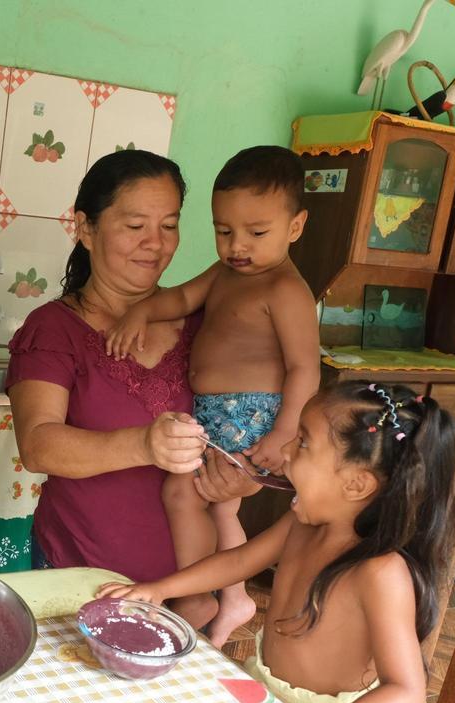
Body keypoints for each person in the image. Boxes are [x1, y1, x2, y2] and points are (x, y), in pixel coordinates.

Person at [98, 381, 455, 703]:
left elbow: (408, 696)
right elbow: (237, 562)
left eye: (303, 443)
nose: (285, 451)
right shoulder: (301, 524)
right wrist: (160, 589)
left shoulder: (381, 573)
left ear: (356, 485)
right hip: (267, 699)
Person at [7, 149, 256, 629]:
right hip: (81, 576)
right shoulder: (54, 329)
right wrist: (146, 443)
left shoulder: (209, 322)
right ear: (85, 228)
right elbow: (38, 444)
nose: (155, 244)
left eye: (169, 225)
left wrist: (246, 474)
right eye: (135, 225)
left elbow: (252, 413)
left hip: (189, 592)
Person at [104, 146, 321, 647]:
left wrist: (287, 432)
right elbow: (180, 298)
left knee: (186, 494)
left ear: (296, 226)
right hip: (215, 414)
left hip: (252, 416)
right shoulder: (225, 275)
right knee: (213, 507)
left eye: (256, 232)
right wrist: (142, 312)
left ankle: (203, 594)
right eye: (224, 231)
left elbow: (304, 367)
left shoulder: (287, 290)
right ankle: (232, 595)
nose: (237, 245)